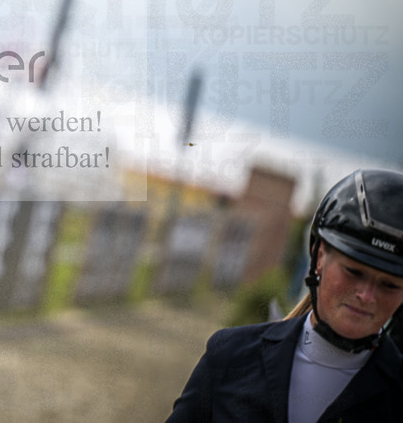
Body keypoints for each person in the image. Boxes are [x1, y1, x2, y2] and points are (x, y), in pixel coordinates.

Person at [168, 168, 403, 422]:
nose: (366, 296)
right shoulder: (229, 355)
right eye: (354, 272)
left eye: (389, 285)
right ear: (319, 255)